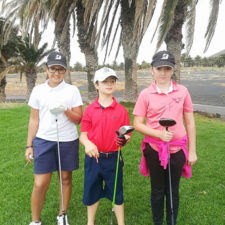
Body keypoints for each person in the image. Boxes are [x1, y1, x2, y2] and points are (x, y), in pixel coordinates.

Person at [133, 50, 197, 225]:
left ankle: (171, 222)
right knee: (157, 190)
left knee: (173, 190)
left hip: (177, 150)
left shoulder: (182, 91)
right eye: (159, 68)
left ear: (172, 70)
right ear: (152, 70)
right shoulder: (146, 94)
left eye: (167, 69)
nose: (163, 72)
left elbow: (190, 122)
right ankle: (158, 222)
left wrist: (192, 151)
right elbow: (137, 124)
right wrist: (159, 134)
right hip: (154, 149)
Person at [25, 51, 83, 225]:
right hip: (43, 141)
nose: (56, 73)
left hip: (67, 140)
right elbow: (34, 119)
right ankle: (35, 221)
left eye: (60, 69)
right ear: (46, 69)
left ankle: (62, 215)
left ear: (65, 71)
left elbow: (78, 119)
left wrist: (66, 109)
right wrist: (29, 145)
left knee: (65, 179)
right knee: (40, 183)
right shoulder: (38, 90)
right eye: (53, 69)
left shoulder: (72, 90)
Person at [80, 67, 131, 225]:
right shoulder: (89, 110)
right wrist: (87, 143)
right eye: (105, 81)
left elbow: (127, 133)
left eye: (112, 81)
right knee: (92, 191)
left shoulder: (121, 110)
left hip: (113, 158)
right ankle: (90, 222)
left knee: (116, 192)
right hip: (93, 158)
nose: (109, 84)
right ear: (96, 85)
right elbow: (83, 135)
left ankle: (121, 223)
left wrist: (125, 139)